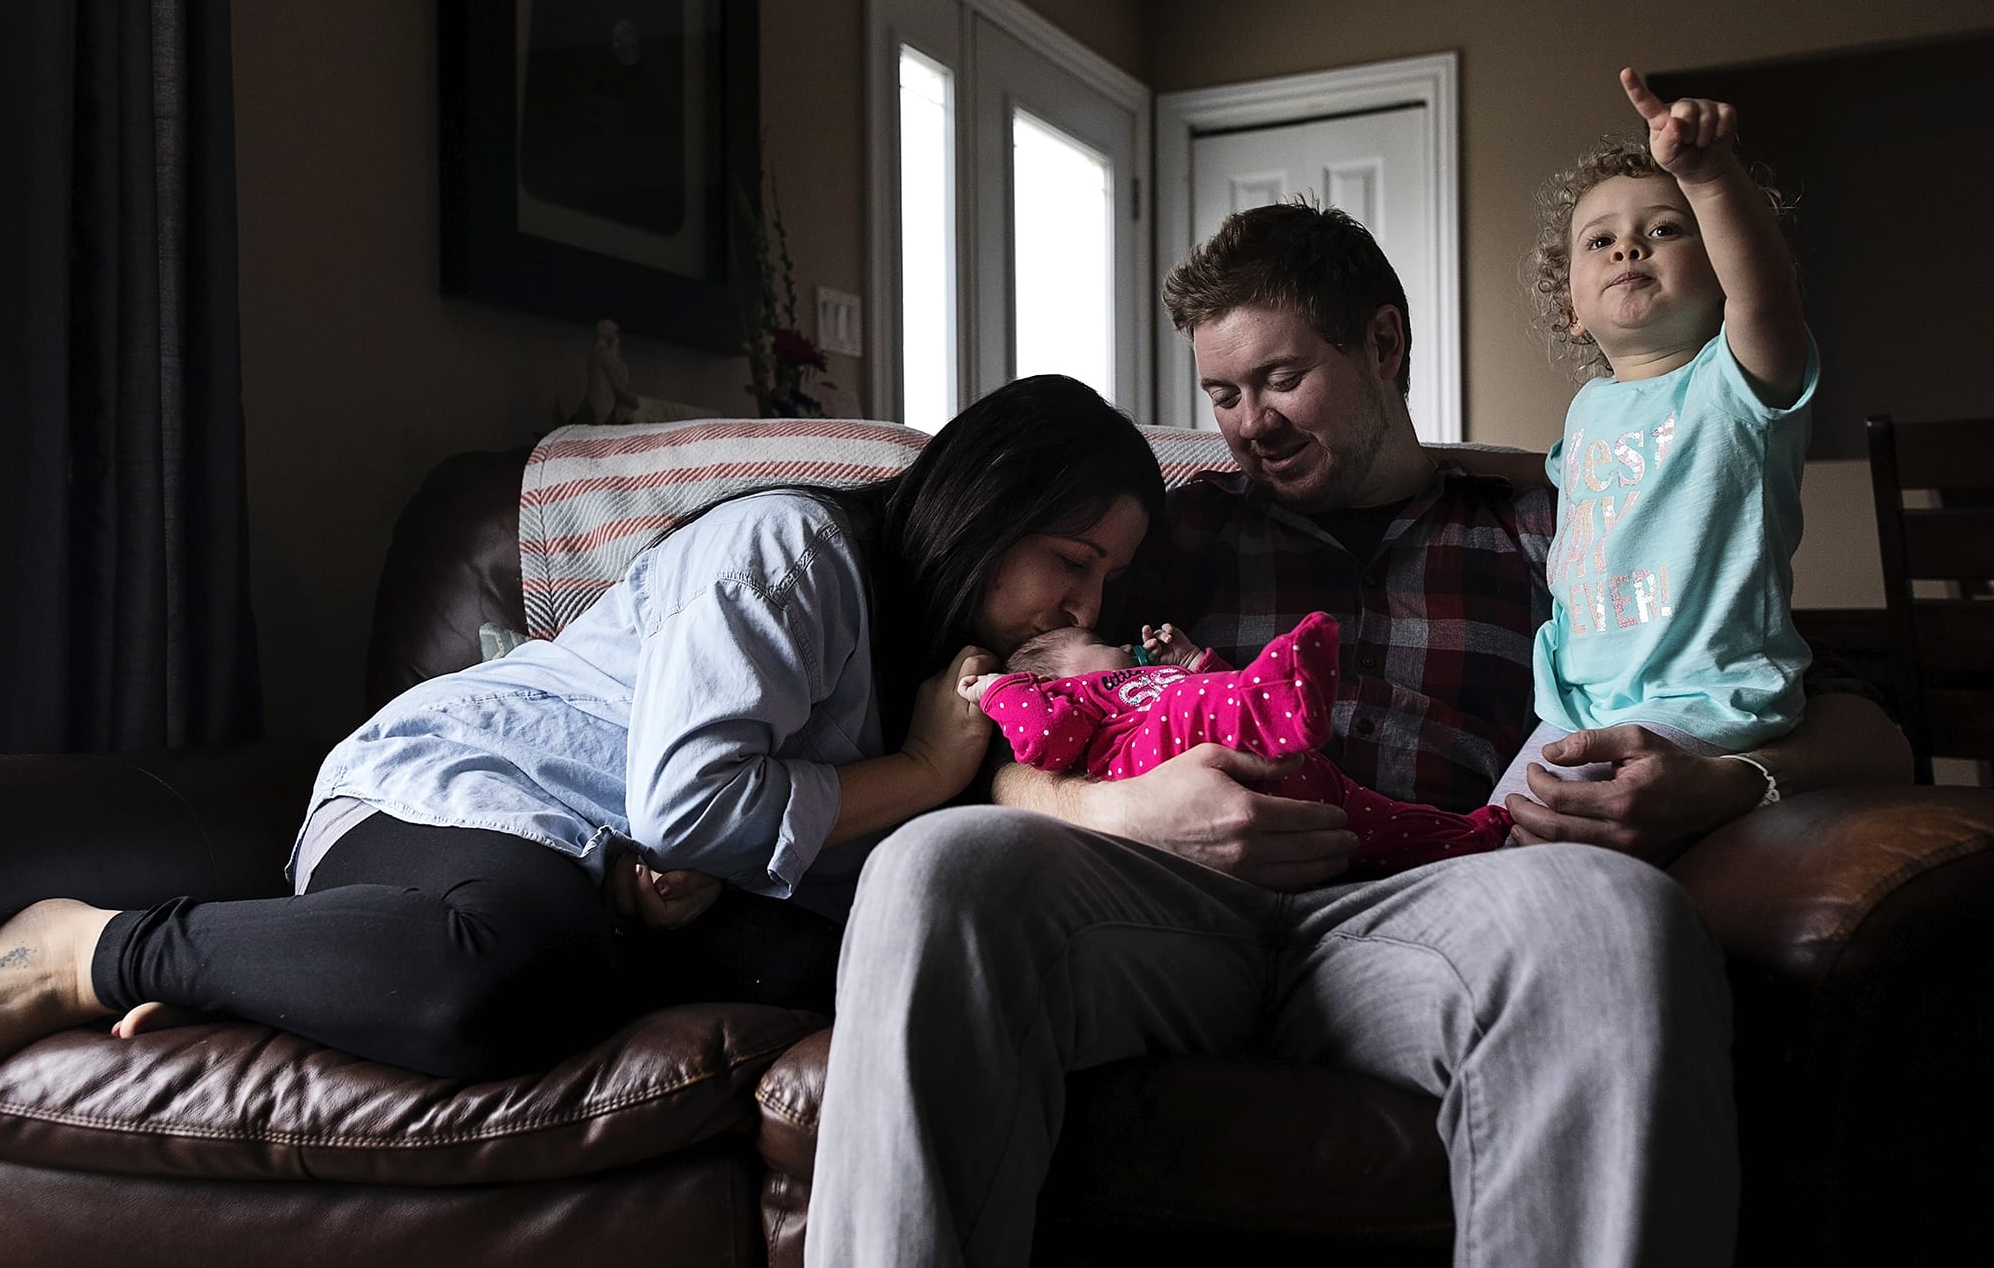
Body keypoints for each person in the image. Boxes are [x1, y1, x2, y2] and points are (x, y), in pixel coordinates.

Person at [806, 181, 1908, 1263]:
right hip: (1175, 915)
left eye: (1281, 378)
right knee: (936, 865)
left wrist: (1730, 784)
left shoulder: (1556, 524)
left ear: (1381, 344)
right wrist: (1115, 809)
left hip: (1434, 912)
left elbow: (1863, 727)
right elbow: (1002, 734)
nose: (1249, 428)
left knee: (1609, 915)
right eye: (1223, 394)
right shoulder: (1164, 536)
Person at [0, 374, 1164, 1101]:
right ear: (981, 509)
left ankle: (308, 977)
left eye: (1107, 579)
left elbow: (800, 867)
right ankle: (86, 951)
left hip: (606, 870)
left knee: (804, 976)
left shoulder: (948, 672)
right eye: (1068, 562)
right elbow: (695, 808)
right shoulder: (792, 552)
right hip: (468, 790)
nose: (1080, 606)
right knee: (494, 974)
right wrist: (921, 772)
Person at [1491, 68, 1813, 810]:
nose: (1628, 249)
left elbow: (1766, 291)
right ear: (1570, 305)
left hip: (1703, 702)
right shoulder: (1588, 411)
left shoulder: (1738, 381)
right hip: (1577, 711)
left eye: (1664, 230)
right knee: (1497, 839)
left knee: (1558, 857)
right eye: (1599, 240)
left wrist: (1707, 176)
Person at [962, 613, 1508, 872]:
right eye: (1101, 642)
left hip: (1298, 771)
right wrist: (1005, 689)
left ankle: (1473, 836)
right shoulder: (1083, 698)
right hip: (1166, 760)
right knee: (1190, 703)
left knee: (1386, 819)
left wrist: (1192, 662)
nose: (1124, 643)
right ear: (1053, 679)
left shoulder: (1144, 678)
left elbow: (1219, 690)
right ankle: (1283, 692)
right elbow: (1045, 742)